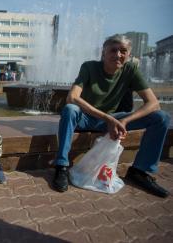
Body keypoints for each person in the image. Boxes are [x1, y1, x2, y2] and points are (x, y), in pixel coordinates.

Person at [52, 34, 171, 198]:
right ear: (104, 53)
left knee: (161, 117)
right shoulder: (89, 67)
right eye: (113, 50)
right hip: (86, 117)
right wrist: (109, 119)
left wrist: (124, 120)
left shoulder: (130, 70)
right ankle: (61, 166)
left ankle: (140, 171)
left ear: (129, 54)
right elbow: (72, 97)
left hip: (114, 119)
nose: (118, 55)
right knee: (70, 109)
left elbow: (153, 103)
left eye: (123, 51)